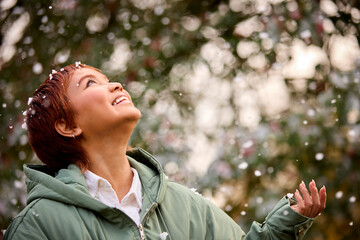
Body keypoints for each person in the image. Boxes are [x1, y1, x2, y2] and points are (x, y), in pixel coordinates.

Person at [4, 62, 326, 240]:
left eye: (109, 79)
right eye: (90, 84)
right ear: (67, 126)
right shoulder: (40, 225)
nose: (115, 85)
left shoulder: (183, 204)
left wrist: (284, 225)